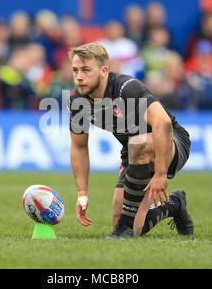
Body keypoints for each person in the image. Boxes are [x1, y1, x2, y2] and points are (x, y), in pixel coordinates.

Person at [68, 42, 193, 239]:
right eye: (75, 70)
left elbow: (163, 124)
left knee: (139, 144)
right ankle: (174, 205)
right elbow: (79, 146)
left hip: (170, 143)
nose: (79, 76)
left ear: (104, 71)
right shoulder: (77, 101)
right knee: (128, 223)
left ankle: (124, 228)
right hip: (134, 152)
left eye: (85, 70)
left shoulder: (126, 88)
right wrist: (82, 194)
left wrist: (160, 173)